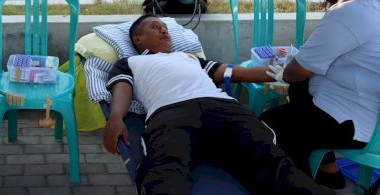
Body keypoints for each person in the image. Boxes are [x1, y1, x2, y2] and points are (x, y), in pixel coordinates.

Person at [103, 14, 333, 195]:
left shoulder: (190, 58)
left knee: (271, 160)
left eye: (165, 27)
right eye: (155, 26)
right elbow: (122, 89)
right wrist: (115, 118)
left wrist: (287, 73)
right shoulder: (130, 62)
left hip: (224, 108)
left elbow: (236, 73)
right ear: (137, 39)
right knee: (165, 170)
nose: (164, 30)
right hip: (171, 114)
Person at [260, 0, 380, 189]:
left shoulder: (350, 12)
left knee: (270, 125)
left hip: (367, 125)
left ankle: (300, 186)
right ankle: (328, 171)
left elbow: (297, 72)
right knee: (301, 92)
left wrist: (287, 69)